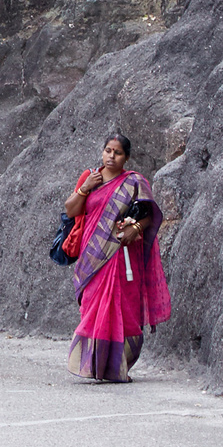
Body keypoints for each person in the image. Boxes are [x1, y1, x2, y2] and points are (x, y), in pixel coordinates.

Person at [61, 133, 170, 383]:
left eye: (118, 152)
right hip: (92, 256)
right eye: (108, 151)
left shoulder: (134, 182)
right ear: (102, 152)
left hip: (122, 256)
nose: (111, 156)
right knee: (92, 306)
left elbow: (149, 216)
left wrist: (135, 228)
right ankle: (92, 365)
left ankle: (119, 367)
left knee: (124, 308)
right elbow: (71, 210)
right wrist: (85, 188)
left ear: (126, 157)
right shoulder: (90, 177)